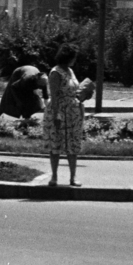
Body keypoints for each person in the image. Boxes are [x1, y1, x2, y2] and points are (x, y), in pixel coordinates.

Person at [43, 45, 94, 187]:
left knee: (73, 144)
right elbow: (54, 96)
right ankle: (54, 177)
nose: (75, 60)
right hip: (59, 110)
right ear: (67, 57)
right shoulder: (55, 73)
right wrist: (56, 114)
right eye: (74, 57)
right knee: (56, 143)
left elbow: (73, 89)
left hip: (73, 112)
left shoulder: (70, 71)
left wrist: (84, 94)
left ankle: (73, 177)